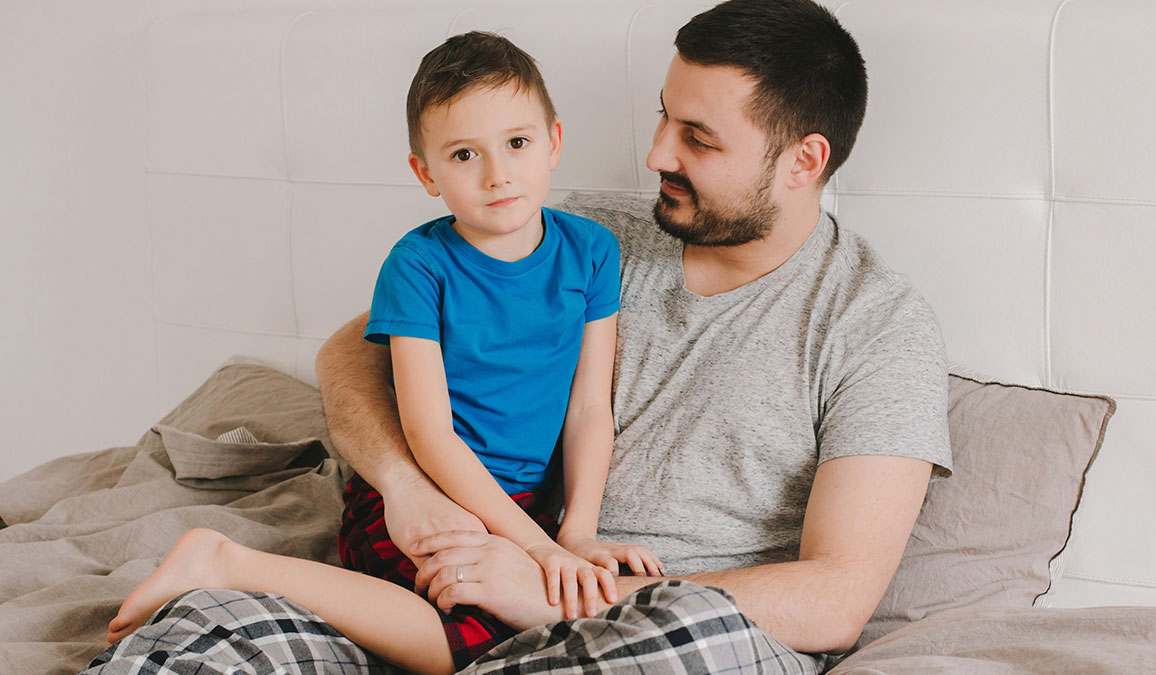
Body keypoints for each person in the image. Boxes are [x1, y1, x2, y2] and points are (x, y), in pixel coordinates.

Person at [318, 0, 952, 665]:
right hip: (505, 568)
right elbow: (348, 356)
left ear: (804, 160)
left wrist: (561, 595)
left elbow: (836, 601)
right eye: (663, 116)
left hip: (687, 634)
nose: (655, 155)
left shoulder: (877, 327)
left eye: (698, 138)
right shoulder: (586, 238)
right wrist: (405, 485)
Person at [103, 31, 661, 675]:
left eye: (517, 142)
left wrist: (575, 534)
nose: (498, 174)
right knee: (472, 643)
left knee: (549, 622)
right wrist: (537, 549)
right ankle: (227, 563)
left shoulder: (591, 251)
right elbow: (430, 434)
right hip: (429, 491)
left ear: (554, 142)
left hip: (529, 506)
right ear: (425, 173)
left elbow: (589, 407)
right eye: (464, 154)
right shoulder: (418, 266)